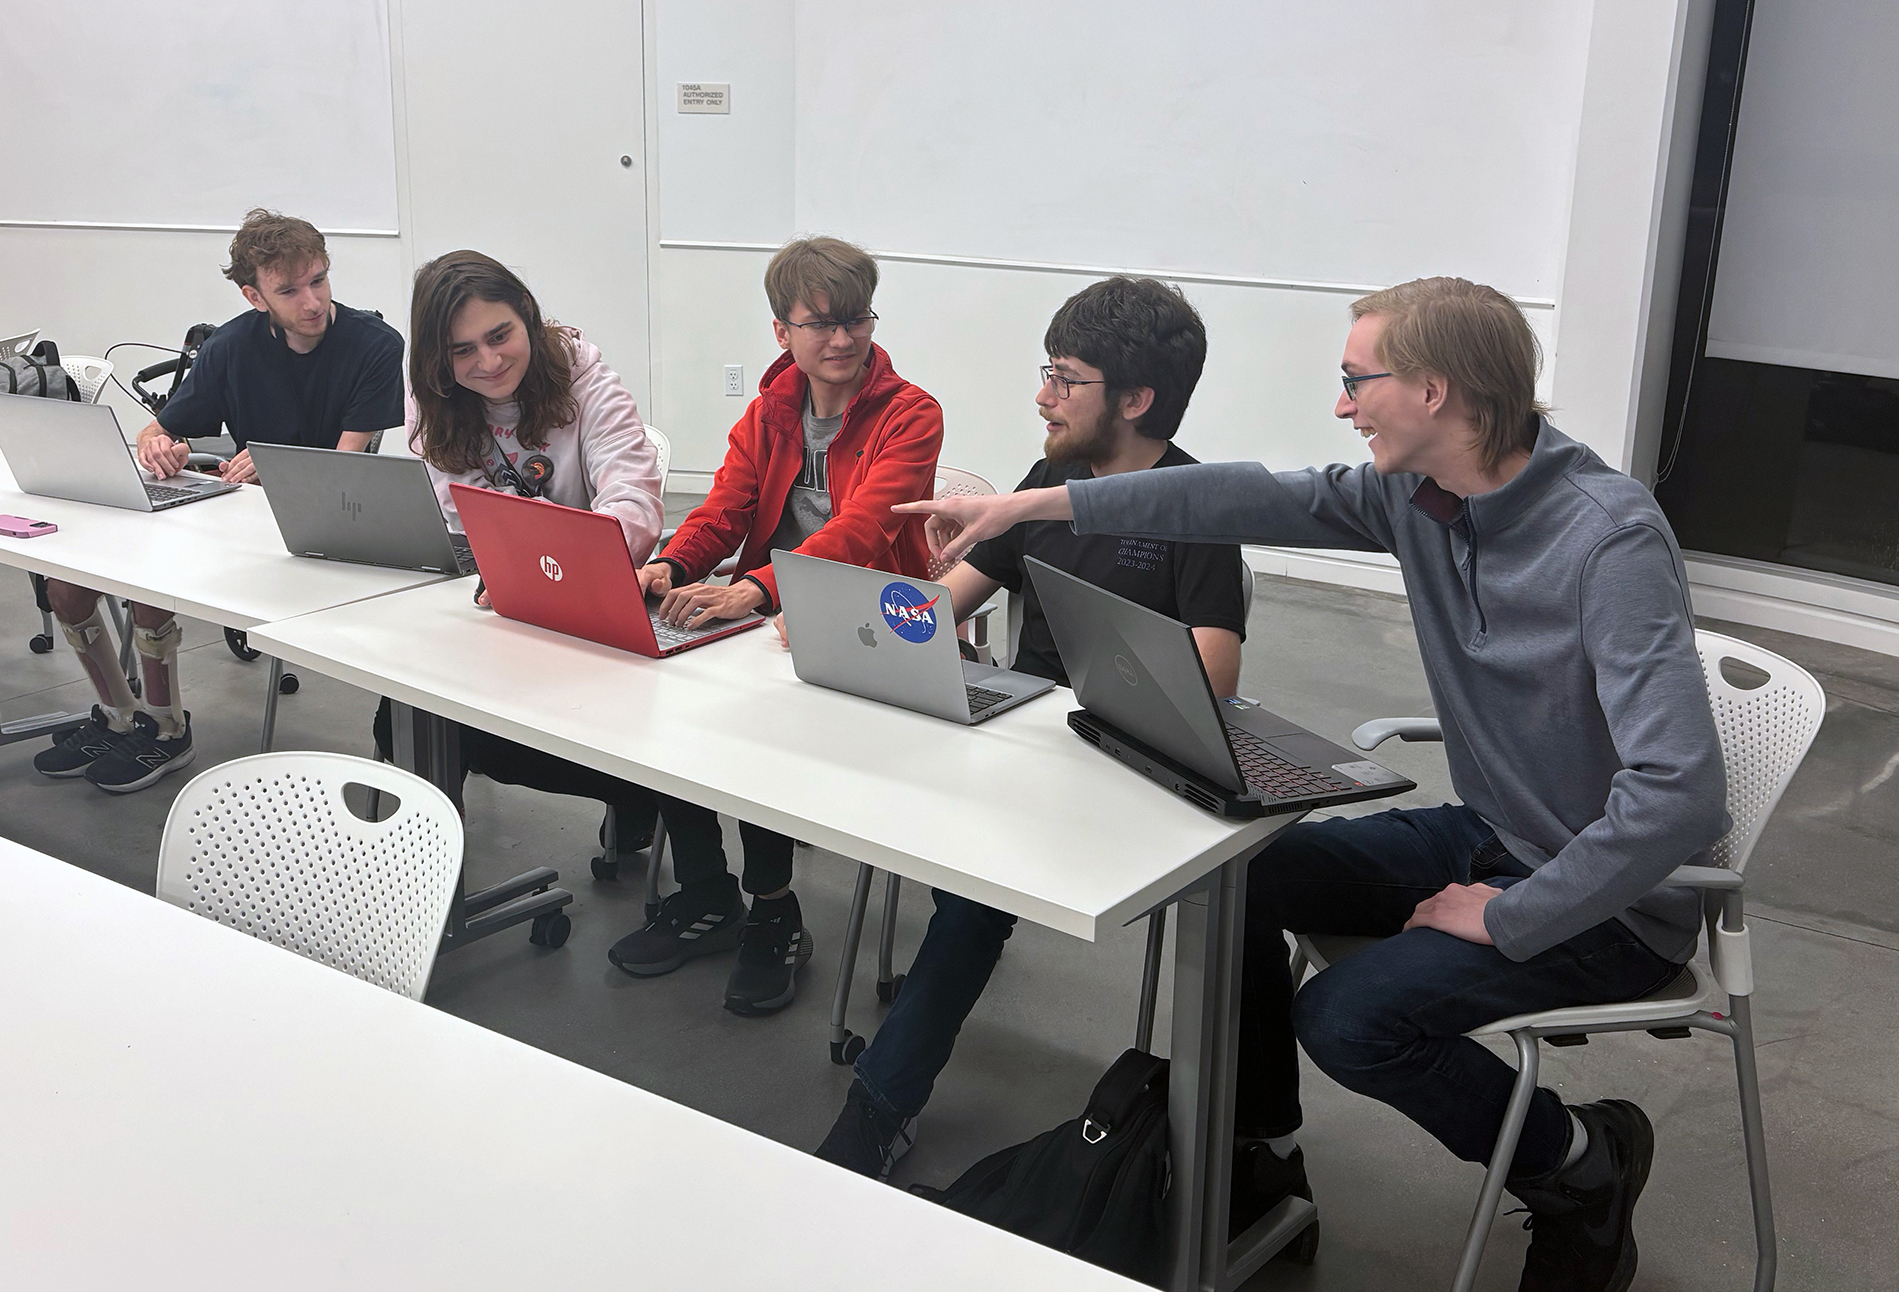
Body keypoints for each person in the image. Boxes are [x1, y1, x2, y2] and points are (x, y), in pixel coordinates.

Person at [897, 276, 1728, 1290]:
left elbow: (1678, 794)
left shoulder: (1608, 540)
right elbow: (1231, 494)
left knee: (1348, 1018)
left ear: (1434, 390)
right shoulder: (1412, 497)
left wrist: (1513, 914)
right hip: (1495, 831)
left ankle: (1580, 1162)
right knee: (1229, 875)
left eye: (1354, 380)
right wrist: (1034, 503)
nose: (1341, 405)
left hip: (1614, 900)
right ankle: (1261, 1148)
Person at [815, 276, 1246, 1179]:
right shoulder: (1049, 480)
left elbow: (1212, 682)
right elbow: (947, 603)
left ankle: (878, 1106)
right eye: (1046, 372)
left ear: (1135, 400)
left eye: (1065, 379)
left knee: (971, 901)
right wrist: (850, 622)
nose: (1043, 395)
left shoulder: (1195, 505)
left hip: (1119, 766)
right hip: (1018, 741)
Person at [605, 235, 943, 1017]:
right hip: (770, 618)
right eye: (820, 324)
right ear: (781, 331)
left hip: (865, 621)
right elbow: (724, 508)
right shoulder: (769, 411)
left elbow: (863, 531)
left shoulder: (910, 413)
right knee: (659, 704)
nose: (842, 339)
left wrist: (756, 588)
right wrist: (674, 564)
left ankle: (773, 908)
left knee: (754, 726)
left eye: (855, 319)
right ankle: (706, 891)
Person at [32, 208, 403, 793]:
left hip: (318, 532)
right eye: (290, 290)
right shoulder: (232, 345)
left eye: (319, 280)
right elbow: (157, 429)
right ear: (255, 297)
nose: (313, 302)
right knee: (66, 587)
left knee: (150, 584)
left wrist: (276, 465)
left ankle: (165, 729)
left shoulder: (374, 345)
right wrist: (159, 447)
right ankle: (120, 716)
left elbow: (347, 466)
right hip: (236, 518)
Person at [375, 249, 665, 846]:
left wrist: (561, 558)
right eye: (462, 350)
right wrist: (518, 563)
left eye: (500, 335)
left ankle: (635, 795)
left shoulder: (585, 378)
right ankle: (423, 865)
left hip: (589, 596)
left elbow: (634, 502)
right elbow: (460, 506)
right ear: (437, 358)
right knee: (404, 710)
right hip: (499, 592)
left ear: (527, 314)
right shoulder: (430, 395)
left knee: (498, 730)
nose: (488, 361)